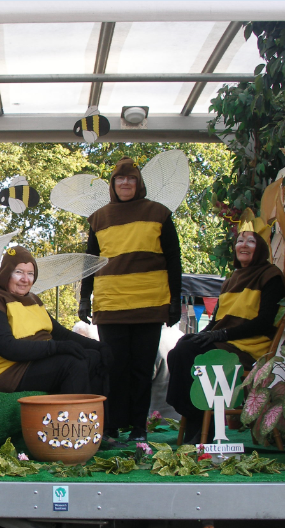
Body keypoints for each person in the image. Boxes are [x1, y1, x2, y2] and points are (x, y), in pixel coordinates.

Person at [78, 157, 182, 442]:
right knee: (113, 368)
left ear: (139, 183)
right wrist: (84, 297)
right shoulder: (99, 217)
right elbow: (89, 261)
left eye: (131, 178)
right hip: (111, 305)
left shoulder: (159, 212)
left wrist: (175, 300)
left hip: (149, 304)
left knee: (142, 368)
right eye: (120, 179)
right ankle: (111, 427)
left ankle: (139, 427)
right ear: (113, 184)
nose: (125, 183)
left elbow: (174, 258)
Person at [0, 246, 113, 431]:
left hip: (33, 362)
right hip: (4, 372)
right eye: (18, 272)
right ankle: (70, 432)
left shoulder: (33, 299)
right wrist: (57, 348)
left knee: (95, 358)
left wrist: (99, 347)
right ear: (5, 273)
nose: (25, 279)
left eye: (30, 273)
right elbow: (7, 347)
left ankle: (101, 430)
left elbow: (61, 334)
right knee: (71, 364)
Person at [166, 227, 285, 443]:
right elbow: (216, 321)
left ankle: (201, 423)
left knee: (188, 354)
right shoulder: (231, 279)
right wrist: (202, 335)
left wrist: (220, 335)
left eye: (251, 241)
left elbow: (264, 322)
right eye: (240, 241)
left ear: (261, 249)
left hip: (249, 347)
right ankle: (194, 414)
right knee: (179, 351)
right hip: (226, 342)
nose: (244, 245)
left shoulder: (270, 276)